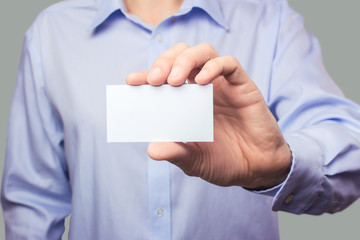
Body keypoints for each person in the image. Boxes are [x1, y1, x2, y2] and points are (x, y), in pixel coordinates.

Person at [2, 0, 360, 239]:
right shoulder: (52, 32)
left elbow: (349, 146)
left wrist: (279, 164)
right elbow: (32, 202)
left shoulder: (272, 20)